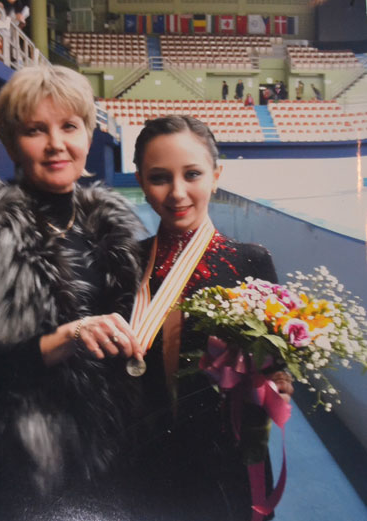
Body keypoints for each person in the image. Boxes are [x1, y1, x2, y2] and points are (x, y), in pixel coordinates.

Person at [0, 65, 144, 521]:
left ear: (88, 135)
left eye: (69, 126)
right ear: (11, 143)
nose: (56, 143)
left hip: (114, 447)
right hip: (31, 457)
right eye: (36, 130)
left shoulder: (114, 227)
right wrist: (70, 336)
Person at [129, 116, 293, 521]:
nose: (177, 192)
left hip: (228, 460)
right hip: (146, 458)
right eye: (159, 177)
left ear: (216, 176)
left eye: (192, 174)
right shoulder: (126, 263)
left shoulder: (251, 262)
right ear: (140, 181)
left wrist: (276, 385)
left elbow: (278, 365)